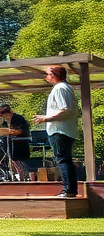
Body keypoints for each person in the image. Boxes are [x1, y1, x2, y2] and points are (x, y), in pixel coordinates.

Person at [34, 65, 80, 198]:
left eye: (48, 74)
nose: (46, 77)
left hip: (60, 131)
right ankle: (70, 190)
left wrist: (46, 118)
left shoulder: (60, 88)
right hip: (64, 130)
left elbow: (65, 110)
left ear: (54, 75)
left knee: (62, 159)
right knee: (65, 159)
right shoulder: (66, 87)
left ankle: (68, 190)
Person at [0, 103, 31, 182]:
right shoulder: (5, 122)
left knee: (18, 160)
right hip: (10, 143)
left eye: (3, 115)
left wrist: (7, 131)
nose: (3, 118)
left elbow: (20, 131)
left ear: (7, 113)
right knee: (11, 159)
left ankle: (23, 177)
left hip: (20, 143)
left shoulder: (18, 118)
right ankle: (14, 175)